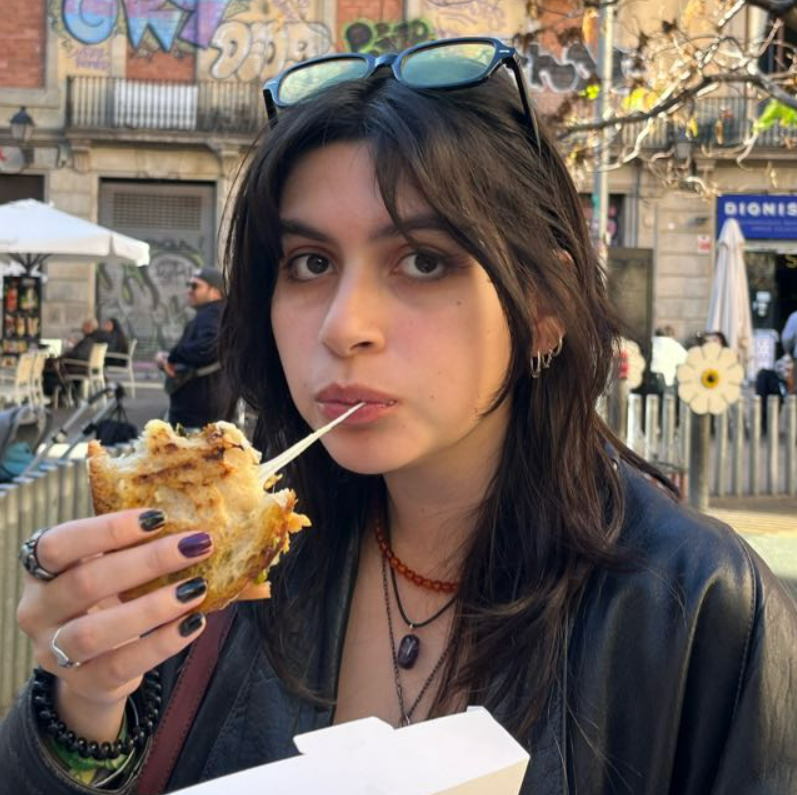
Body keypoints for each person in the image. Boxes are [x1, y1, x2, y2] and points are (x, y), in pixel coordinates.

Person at [2, 38, 795, 795]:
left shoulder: (699, 606)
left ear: (543, 306)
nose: (342, 326)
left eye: (422, 260)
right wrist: (80, 711)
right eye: (310, 262)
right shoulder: (225, 568)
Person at [154, 267, 233, 428]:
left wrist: (172, 357)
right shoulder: (216, 313)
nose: (189, 290)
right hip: (205, 401)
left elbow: (209, 346)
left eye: (195, 286)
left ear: (215, 292)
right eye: (189, 285)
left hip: (199, 407)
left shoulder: (212, 313)